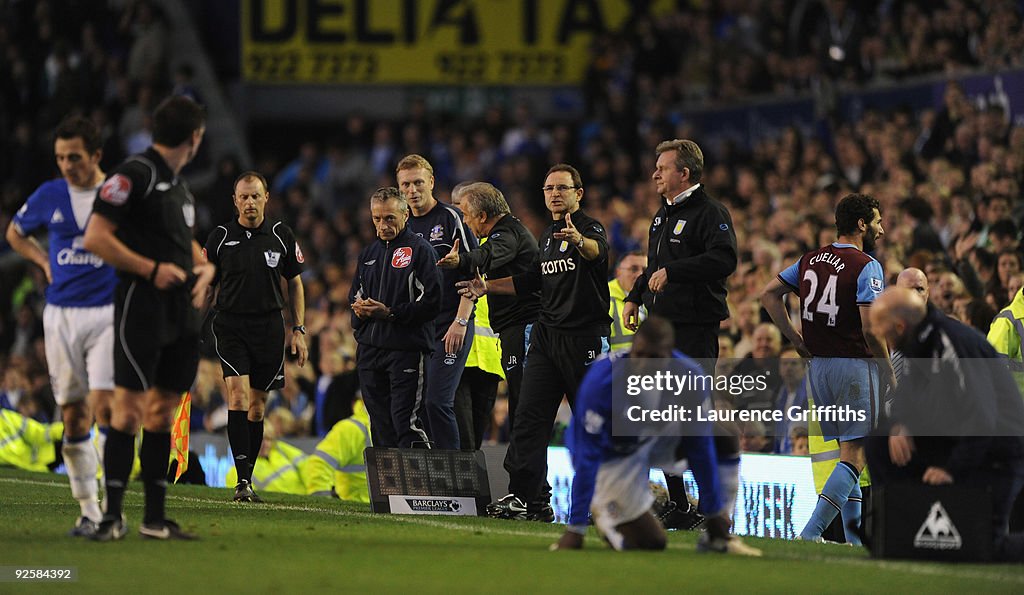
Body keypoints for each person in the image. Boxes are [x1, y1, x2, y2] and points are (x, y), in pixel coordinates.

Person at [83, 95, 215, 541]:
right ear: (195, 138)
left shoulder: (179, 186)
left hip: (181, 315)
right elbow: (96, 238)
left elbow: (185, 246)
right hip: (141, 307)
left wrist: (207, 267)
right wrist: (150, 270)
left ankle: (154, 520)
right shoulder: (133, 175)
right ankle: (111, 517)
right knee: (129, 411)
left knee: (162, 414)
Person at [458, 164, 611, 522]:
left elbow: (597, 251)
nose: (555, 194)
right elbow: (530, 281)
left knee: (591, 421)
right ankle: (527, 499)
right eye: (548, 189)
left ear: (579, 193)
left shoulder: (587, 228)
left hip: (584, 337)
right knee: (527, 418)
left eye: (562, 188)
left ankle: (605, 498)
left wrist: (579, 242)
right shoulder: (546, 236)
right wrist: (487, 287)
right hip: (546, 337)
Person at [552, 317, 760, 556]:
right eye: (640, 355)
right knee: (652, 542)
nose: (645, 365)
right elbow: (587, 456)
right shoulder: (602, 380)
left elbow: (700, 448)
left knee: (723, 434)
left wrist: (715, 514)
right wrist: (575, 528)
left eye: (655, 358)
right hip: (613, 457)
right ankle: (609, 516)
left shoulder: (689, 376)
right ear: (631, 349)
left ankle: (718, 538)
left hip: (655, 440)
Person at [5, 116, 116, 537]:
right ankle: (88, 509)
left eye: (75, 157)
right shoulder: (50, 194)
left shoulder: (117, 194)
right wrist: (43, 261)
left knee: (105, 406)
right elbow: (15, 233)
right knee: (73, 415)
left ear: (96, 156)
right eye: (60, 158)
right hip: (61, 315)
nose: (67, 165)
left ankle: (113, 504)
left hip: (107, 312)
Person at [620, 138, 740, 529]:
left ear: (684, 173)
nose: (655, 172)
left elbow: (725, 258)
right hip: (661, 331)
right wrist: (634, 297)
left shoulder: (710, 212)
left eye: (663, 166)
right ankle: (679, 503)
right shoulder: (661, 215)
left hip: (694, 331)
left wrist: (676, 272)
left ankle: (709, 506)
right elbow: (655, 265)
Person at [762, 192, 892, 544]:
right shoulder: (867, 265)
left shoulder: (809, 259)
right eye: (877, 221)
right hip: (853, 367)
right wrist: (888, 369)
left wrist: (794, 339)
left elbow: (769, 295)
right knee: (855, 456)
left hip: (817, 368)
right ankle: (809, 534)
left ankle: (852, 540)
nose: (881, 229)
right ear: (862, 224)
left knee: (848, 456)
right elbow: (869, 327)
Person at [868, 287, 1024, 561]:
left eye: (882, 330)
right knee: (881, 441)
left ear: (900, 326)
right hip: (959, 442)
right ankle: (898, 530)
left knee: (985, 547)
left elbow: (982, 418)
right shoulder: (918, 343)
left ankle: (924, 532)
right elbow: (908, 398)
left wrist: (950, 469)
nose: (880, 338)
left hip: (997, 453)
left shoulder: (951, 343)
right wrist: (900, 426)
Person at [203, 170, 308, 503]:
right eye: (243, 197)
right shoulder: (219, 238)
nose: (249, 202)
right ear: (235, 201)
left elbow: (295, 282)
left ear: (266, 198)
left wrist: (299, 330)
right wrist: (191, 325)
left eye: (255, 196)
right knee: (237, 397)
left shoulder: (281, 235)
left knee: (258, 408)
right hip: (230, 325)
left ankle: (247, 480)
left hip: (269, 327)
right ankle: (241, 482)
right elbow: (208, 286)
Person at [437, 182, 540, 433]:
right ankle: (522, 466)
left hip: (523, 328)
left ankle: (525, 466)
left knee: (524, 404)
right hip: (512, 331)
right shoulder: (510, 230)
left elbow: (488, 254)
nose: (465, 221)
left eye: (466, 215)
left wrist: (461, 260)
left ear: (482, 216)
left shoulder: (505, 233)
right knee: (520, 402)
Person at [349, 187, 441, 448]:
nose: (383, 225)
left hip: (406, 350)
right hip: (370, 351)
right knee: (379, 424)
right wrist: (360, 310)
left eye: (389, 218)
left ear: (405, 215)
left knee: (406, 423)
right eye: (377, 219)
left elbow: (432, 302)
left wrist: (390, 313)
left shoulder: (421, 251)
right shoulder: (368, 255)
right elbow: (353, 296)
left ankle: (418, 489)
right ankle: (387, 490)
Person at [397, 155, 477, 449]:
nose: (412, 190)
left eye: (418, 182)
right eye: (405, 184)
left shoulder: (450, 218)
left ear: (431, 182)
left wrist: (461, 322)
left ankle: (455, 479)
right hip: (419, 331)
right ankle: (435, 478)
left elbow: (474, 274)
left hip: (450, 324)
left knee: (438, 402)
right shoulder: (400, 227)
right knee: (418, 407)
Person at [449, 182, 504, 451]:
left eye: (468, 210)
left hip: (490, 358)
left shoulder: (498, 246)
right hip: (459, 352)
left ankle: (471, 491)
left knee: (476, 437)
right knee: (462, 436)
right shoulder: (451, 248)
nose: (464, 215)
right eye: (459, 209)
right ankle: (468, 492)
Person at [305, 397, 372, 502]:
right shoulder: (350, 429)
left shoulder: (395, 426)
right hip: (357, 509)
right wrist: (322, 505)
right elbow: (319, 464)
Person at [224, 421, 308, 496]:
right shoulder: (236, 472)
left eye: (268, 439)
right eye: (260, 440)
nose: (264, 444)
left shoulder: (284, 452)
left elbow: (309, 467)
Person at [607, 250, 647, 351]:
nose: (640, 275)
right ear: (618, 272)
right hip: (615, 364)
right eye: (633, 269)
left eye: (645, 270)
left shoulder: (655, 298)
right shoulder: (604, 299)